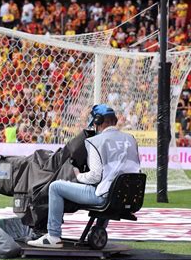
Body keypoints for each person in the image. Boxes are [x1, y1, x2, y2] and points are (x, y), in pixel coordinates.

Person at [27, 104, 141, 248]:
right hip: (129, 197)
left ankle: (53, 236)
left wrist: (78, 175)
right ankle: (100, 229)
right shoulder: (131, 139)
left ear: (97, 121)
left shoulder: (94, 142)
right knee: (107, 186)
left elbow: (94, 176)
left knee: (55, 187)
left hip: (105, 197)